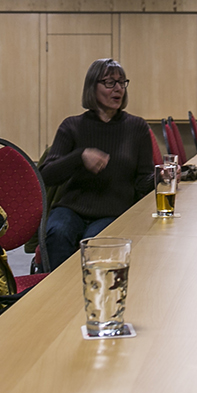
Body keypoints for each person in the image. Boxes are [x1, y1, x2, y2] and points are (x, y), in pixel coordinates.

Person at [40, 58, 155, 271]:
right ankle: (55, 289)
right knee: (58, 232)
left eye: (122, 82)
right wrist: (79, 157)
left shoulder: (136, 127)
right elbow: (45, 175)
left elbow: (142, 183)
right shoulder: (72, 126)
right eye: (110, 82)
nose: (118, 89)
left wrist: (162, 176)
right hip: (72, 208)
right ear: (92, 87)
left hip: (114, 211)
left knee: (96, 242)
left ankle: (91, 290)